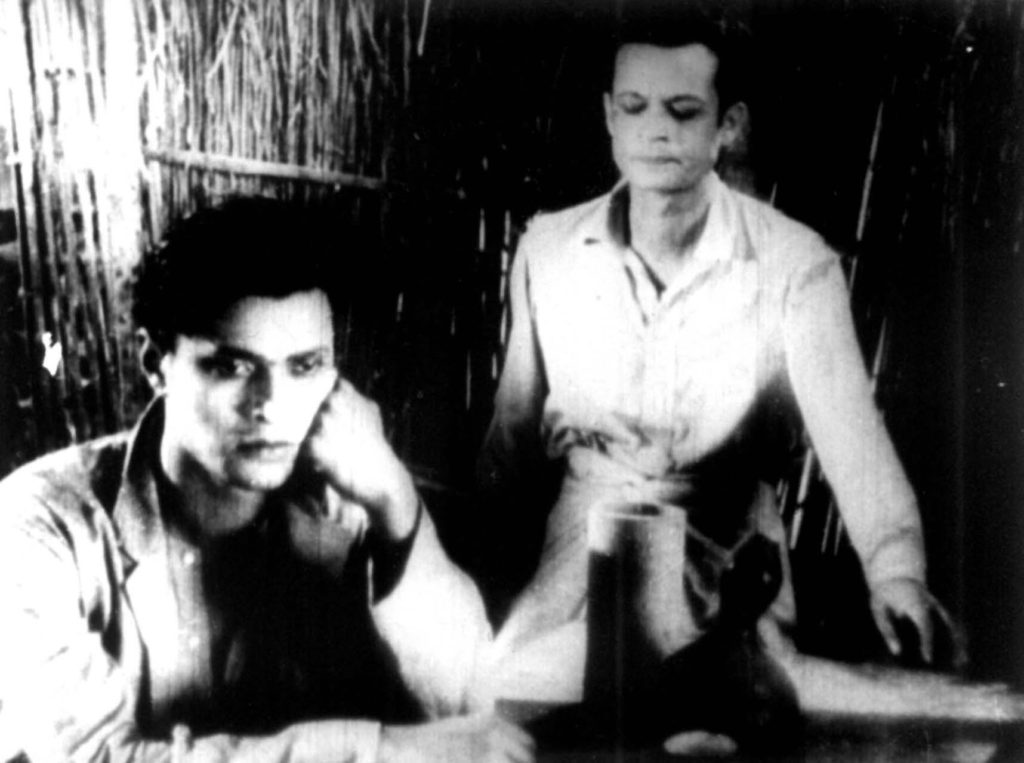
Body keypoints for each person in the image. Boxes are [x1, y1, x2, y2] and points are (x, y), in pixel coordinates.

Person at [477, 8, 954, 706]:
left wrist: (897, 573)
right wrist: (487, 571)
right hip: (583, 552)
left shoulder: (792, 264)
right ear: (608, 116)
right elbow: (512, 439)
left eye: (683, 111)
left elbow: (853, 439)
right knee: (520, 695)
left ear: (727, 125)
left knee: (728, 713)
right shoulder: (549, 249)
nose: (656, 131)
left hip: (729, 560)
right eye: (634, 107)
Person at [0, 197, 534, 762]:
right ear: (155, 362)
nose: (273, 406)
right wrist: (377, 750)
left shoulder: (350, 504)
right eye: (232, 367)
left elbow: (471, 712)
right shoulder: (34, 525)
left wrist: (396, 504)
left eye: (304, 366)